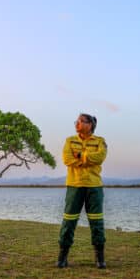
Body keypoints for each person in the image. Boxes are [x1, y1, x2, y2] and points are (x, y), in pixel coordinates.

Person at [57, 113, 108, 269]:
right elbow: (67, 159)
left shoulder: (100, 141)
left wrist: (80, 156)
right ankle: (62, 257)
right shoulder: (69, 140)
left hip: (94, 187)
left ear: (90, 125)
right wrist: (87, 160)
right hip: (74, 186)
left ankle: (99, 258)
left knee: (97, 222)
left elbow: (99, 157)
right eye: (76, 121)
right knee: (69, 222)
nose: (77, 123)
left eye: (81, 121)